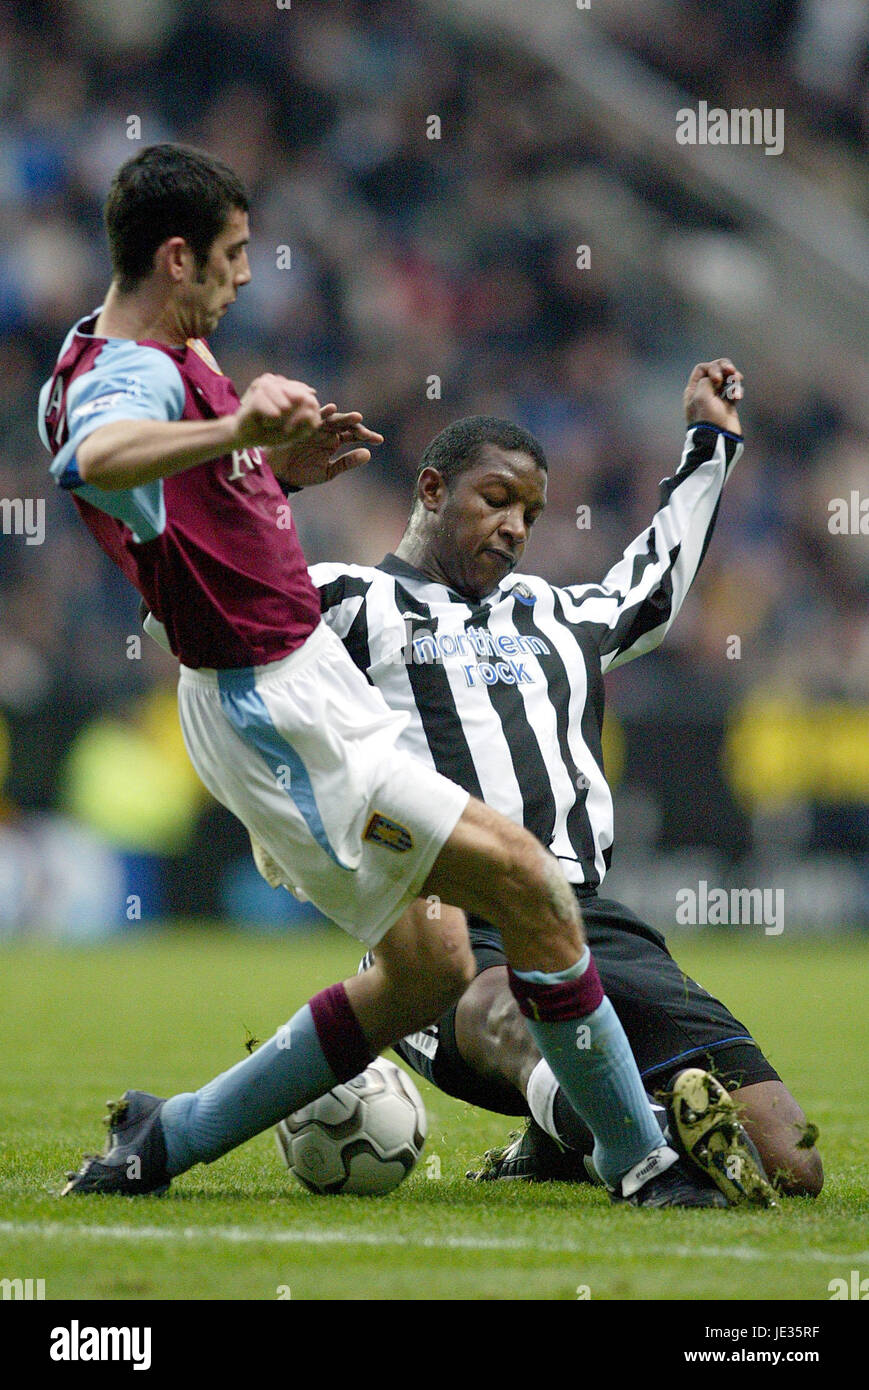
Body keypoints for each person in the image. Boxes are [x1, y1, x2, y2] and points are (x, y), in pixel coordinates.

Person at [42, 143, 734, 1208]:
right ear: (174, 259)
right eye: (230, 257)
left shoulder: (147, 354)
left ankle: (165, 1137)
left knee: (428, 971)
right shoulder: (126, 372)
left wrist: (265, 467)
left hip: (294, 682)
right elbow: (94, 457)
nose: (241, 276)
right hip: (273, 698)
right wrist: (239, 430)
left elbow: (173, 504)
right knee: (527, 879)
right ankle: (644, 1165)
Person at [295, 393, 821, 1200]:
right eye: (495, 499)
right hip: (448, 924)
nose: (513, 525)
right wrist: (267, 482)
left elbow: (659, 574)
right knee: (508, 1013)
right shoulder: (345, 604)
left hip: (588, 919)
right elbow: (193, 615)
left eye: (530, 512)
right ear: (431, 490)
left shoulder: (560, 613)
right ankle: (623, 1140)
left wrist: (710, 443)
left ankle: (559, 1140)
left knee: (791, 1164)